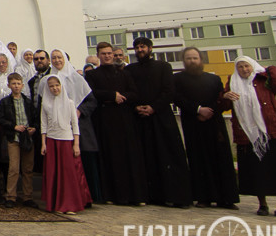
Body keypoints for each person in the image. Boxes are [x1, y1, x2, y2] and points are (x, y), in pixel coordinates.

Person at [125, 37, 192, 207]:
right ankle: (152, 196)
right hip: (140, 119)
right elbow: (130, 92)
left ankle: (177, 197)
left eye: (143, 47)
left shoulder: (163, 67)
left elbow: (169, 91)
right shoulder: (130, 69)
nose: (140, 50)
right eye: (137, 47)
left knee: (169, 155)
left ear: (150, 48)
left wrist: (153, 107)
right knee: (147, 157)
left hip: (161, 118)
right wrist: (136, 107)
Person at [225, 56, 276, 217]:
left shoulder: (264, 80)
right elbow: (223, 104)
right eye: (240, 67)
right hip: (247, 135)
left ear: (253, 66)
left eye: (247, 66)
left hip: (270, 131)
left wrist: (269, 68)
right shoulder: (233, 83)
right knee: (256, 170)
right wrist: (225, 97)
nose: (244, 69)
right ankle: (262, 204)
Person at [173, 46, 239, 209]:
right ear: (184, 61)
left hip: (214, 124)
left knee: (221, 159)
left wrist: (209, 110)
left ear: (201, 60)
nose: (192, 61)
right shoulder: (177, 79)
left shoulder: (214, 79)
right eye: (188, 58)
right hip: (193, 122)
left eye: (195, 58)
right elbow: (177, 98)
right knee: (198, 159)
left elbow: (220, 99)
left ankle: (226, 198)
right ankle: (203, 197)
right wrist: (197, 109)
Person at [83, 42, 147, 205]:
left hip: (124, 118)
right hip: (105, 119)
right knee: (109, 156)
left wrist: (121, 97)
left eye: (110, 53)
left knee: (128, 156)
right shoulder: (92, 75)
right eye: (104, 53)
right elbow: (92, 93)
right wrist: (112, 95)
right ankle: (110, 195)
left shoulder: (124, 74)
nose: (107, 56)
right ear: (98, 55)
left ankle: (133, 195)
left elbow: (134, 93)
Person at [40, 75, 92, 214]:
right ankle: (56, 204)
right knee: (54, 173)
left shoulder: (69, 103)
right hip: (52, 141)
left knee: (68, 174)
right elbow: (43, 124)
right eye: (51, 86)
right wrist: (43, 143)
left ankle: (69, 204)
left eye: (57, 85)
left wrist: (76, 144)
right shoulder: (46, 104)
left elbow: (75, 124)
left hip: (66, 141)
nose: (54, 88)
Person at [0, 71, 38, 208]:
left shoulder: (27, 101)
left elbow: (35, 118)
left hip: (27, 138)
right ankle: (11, 196)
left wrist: (33, 128)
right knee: (14, 168)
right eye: (13, 84)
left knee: (27, 168)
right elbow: (0, 118)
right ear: (9, 85)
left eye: (18, 84)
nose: (16, 86)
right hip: (13, 138)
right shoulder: (5, 102)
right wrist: (13, 126)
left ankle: (27, 196)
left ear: (22, 85)